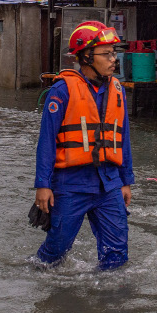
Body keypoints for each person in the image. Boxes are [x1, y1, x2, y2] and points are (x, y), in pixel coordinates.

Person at [33, 21, 134, 271]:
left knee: (117, 254)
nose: (114, 59)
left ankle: (108, 302)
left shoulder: (117, 90)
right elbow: (46, 141)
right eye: (107, 54)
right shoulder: (62, 91)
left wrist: (125, 180)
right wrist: (43, 186)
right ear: (86, 57)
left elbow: (123, 139)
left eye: (114, 53)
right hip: (71, 184)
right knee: (56, 251)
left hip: (108, 183)